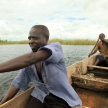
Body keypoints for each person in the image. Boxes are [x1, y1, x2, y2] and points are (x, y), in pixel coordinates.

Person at [0, 25, 82, 108]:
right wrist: (2, 104)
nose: (31, 41)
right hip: (40, 94)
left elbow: (31, 58)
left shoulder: (56, 48)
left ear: (46, 38)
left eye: (35, 38)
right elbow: (17, 84)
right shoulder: (27, 61)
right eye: (29, 38)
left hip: (61, 96)